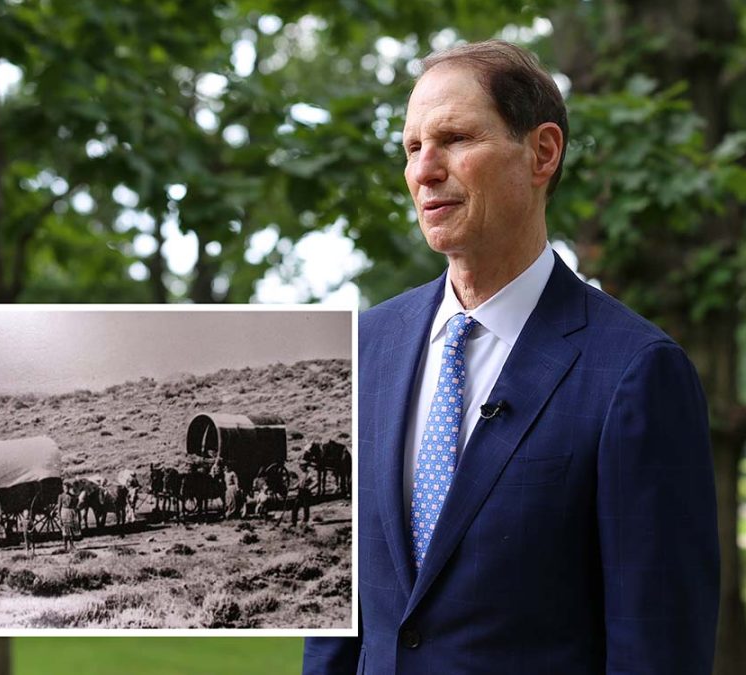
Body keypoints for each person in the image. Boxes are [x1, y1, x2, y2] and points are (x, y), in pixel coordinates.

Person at [303, 40, 719, 674]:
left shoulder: (636, 372)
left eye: (455, 139)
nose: (424, 170)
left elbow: (658, 647)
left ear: (542, 152)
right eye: (413, 148)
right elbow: (338, 625)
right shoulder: (365, 348)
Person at [292, 462, 315, 526]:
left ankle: (305, 522)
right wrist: (293, 487)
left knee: (306, 507)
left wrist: (310, 487)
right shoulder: (301, 474)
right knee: (295, 506)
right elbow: (299, 483)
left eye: (302, 466)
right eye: (300, 466)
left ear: (305, 466)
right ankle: (293, 522)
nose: (300, 467)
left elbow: (316, 481)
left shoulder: (310, 474)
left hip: (306, 492)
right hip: (300, 492)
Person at [58, 483, 78, 552]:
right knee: (65, 530)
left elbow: (75, 504)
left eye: (67, 488)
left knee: (71, 530)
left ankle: (72, 545)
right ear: (63, 488)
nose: (66, 489)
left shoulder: (72, 496)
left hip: (70, 512)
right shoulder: (61, 496)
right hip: (64, 512)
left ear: (69, 488)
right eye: (64, 488)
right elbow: (59, 507)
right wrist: (59, 516)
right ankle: (65, 546)